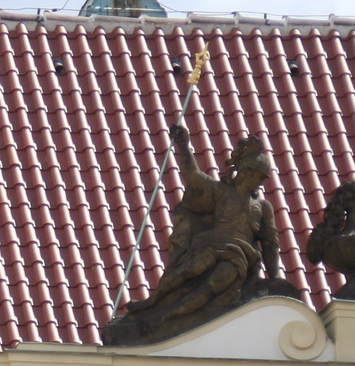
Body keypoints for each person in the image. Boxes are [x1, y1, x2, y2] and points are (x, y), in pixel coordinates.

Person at [106, 129, 279, 346]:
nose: (260, 182)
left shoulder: (262, 207)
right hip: (211, 245)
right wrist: (183, 146)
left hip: (237, 257)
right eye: (259, 176)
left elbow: (270, 243)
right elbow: (193, 176)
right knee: (183, 273)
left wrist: (274, 277)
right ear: (246, 172)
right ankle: (152, 303)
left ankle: (164, 318)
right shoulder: (222, 192)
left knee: (211, 287)